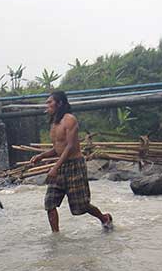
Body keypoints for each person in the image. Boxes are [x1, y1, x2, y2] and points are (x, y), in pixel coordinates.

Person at [29, 91, 112, 232]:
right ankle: (55, 236)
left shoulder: (69, 120)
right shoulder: (54, 124)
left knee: (81, 205)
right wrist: (41, 156)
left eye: (50, 102)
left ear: (59, 103)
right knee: (50, 203)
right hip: (61, 166)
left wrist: (55, 167)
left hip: (74, 165)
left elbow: (70, 146)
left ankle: (104, 218)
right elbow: (57, 149)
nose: (47, 104)